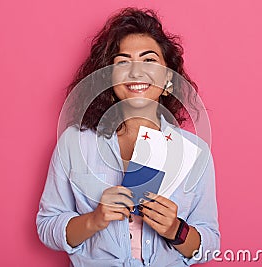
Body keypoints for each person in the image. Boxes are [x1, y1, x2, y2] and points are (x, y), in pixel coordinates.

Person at [36, 7, 220, 267]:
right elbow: (47, 226)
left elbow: (210, 244)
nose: (136, 72)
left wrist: (176, 230)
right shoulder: (75, 143)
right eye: (123, 62)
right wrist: (94, 219)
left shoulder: (195, 152)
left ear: (169, 77)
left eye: (149, 61)